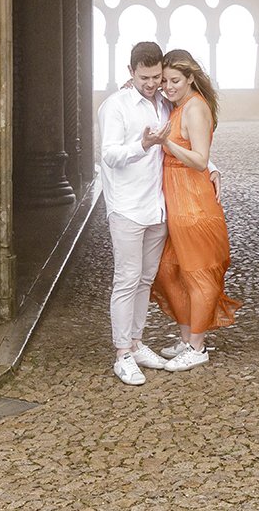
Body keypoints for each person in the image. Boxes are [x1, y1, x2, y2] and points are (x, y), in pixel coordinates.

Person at [150, 48, 240, 370]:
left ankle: (198, 347)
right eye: (164, 81)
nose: (168, 86)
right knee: (165, 271)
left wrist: (166, 144)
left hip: (195, 207)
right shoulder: (177, 106)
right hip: (177, 206)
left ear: (191, 78)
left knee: (198, 276)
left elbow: (200, 160)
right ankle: (187, 337)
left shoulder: (196, 108)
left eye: (175, 80)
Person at [97, 41, 175, 386]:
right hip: (126, 207)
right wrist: (142, 145)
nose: (152, 83)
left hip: (156, 206)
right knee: (126, 280)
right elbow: (109, 155)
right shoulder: (115, 106)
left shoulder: (163, 101)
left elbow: (179, 144)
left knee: (145, 278)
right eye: (144, 77)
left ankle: (138, 343)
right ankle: (122, 354)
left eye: (156, 76)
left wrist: (211, 165)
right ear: (131, 72)